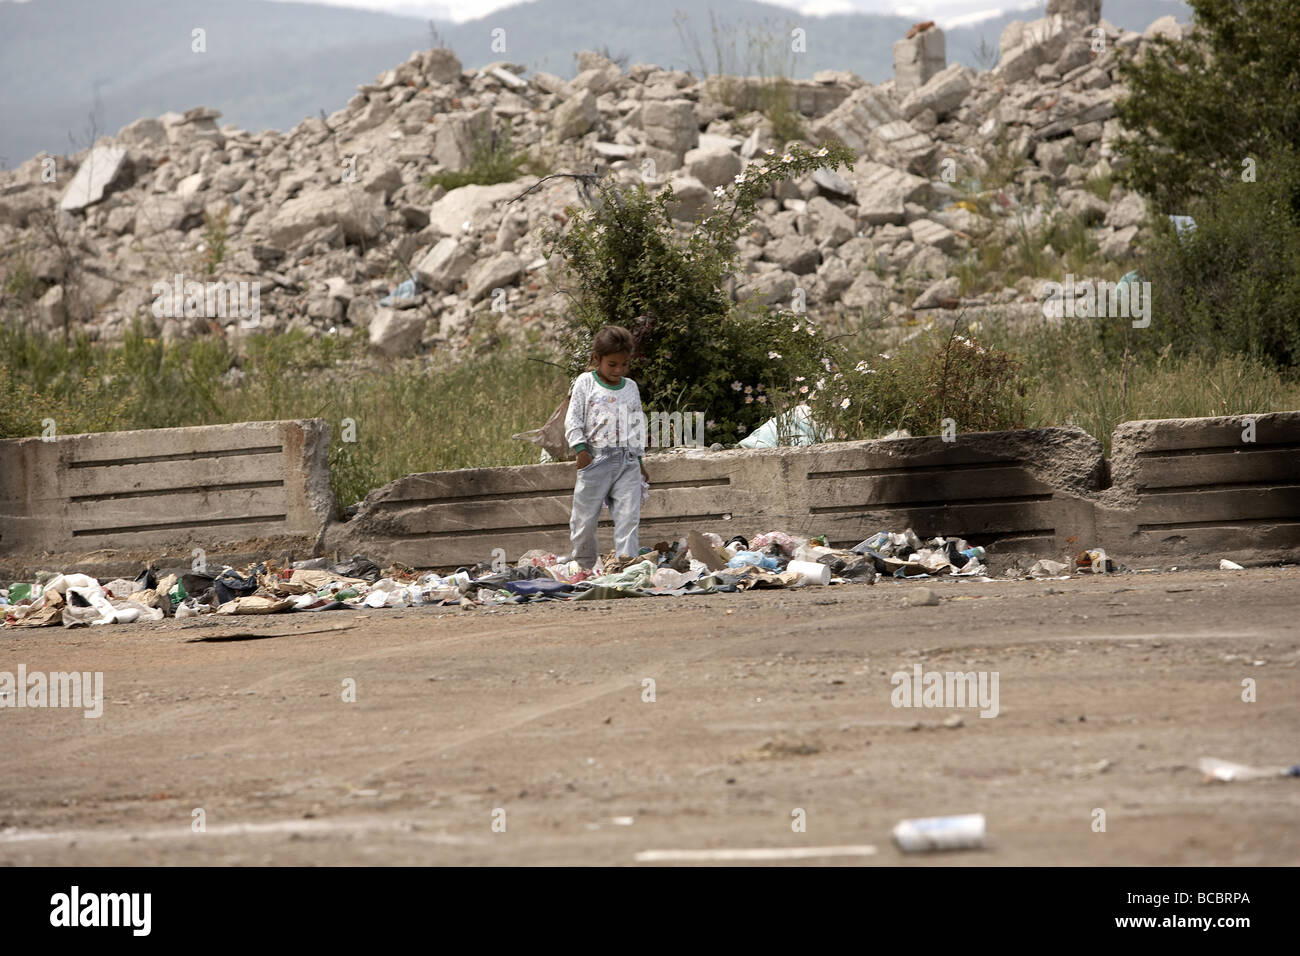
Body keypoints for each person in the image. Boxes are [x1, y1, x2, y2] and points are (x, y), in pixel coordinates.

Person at [564, 325, 650, 569]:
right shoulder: (585, 383)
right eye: (612, 364)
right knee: (583, 519)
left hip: (627, 462)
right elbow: (573, 418)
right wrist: (581, 449)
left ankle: (626, 566)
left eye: (624, 364)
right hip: (595, 460)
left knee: (628, 517)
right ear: (596, 359)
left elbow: (636, 425)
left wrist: (640, 462)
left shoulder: (631, 387)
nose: (619, 370)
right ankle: (584, 565)